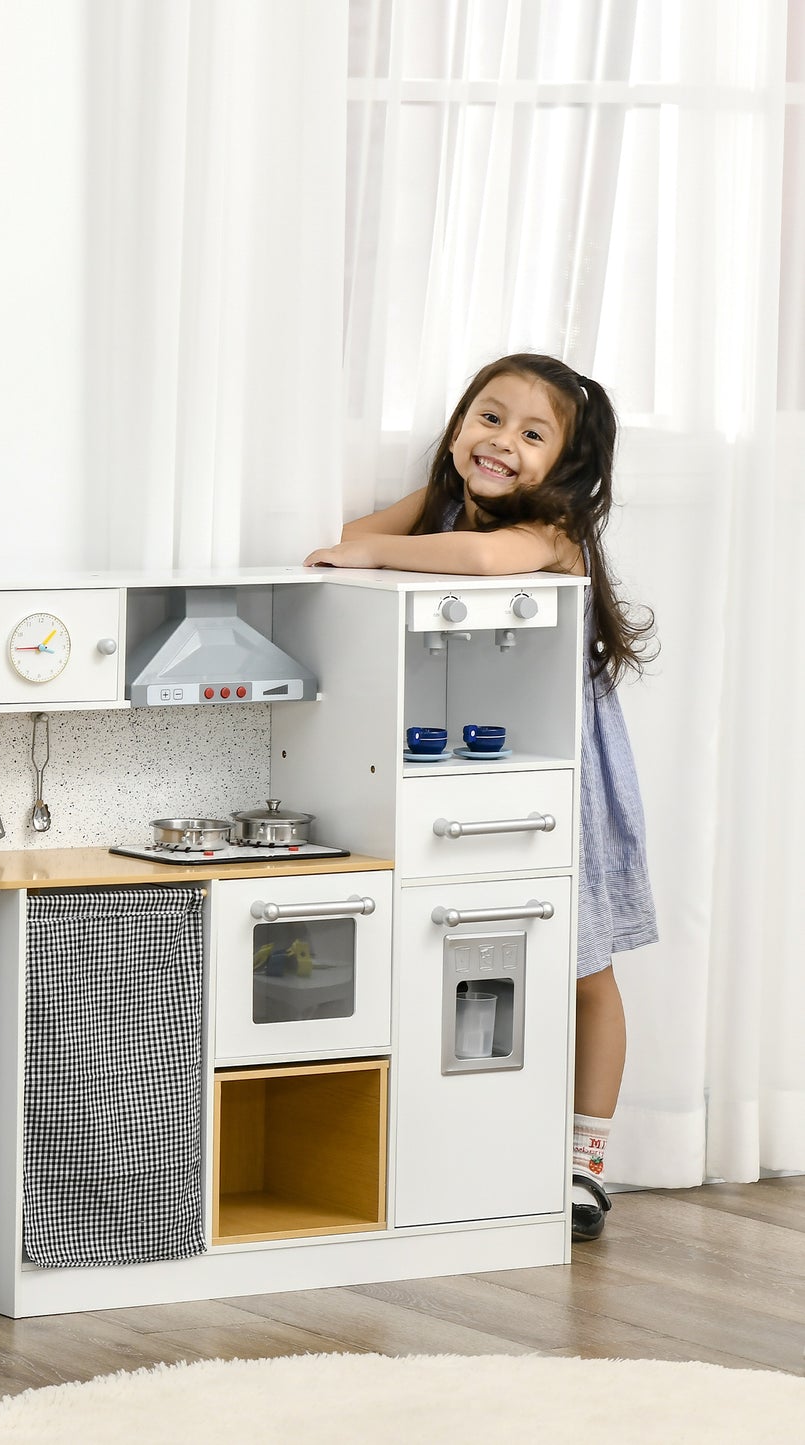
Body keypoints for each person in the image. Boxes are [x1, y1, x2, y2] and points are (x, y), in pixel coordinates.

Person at [306, 353, 657, 1242]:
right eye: (487, 418)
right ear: (459, 423)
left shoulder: (552, 528)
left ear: (564, 467)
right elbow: (339, 529)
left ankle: (584, 1161)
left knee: (586, 968)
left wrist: (379, 549)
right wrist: (371, 536)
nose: (500, 442)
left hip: (567, 765)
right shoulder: (441, 504)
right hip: (482, 752)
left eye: (531, 434)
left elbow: (483, 559)